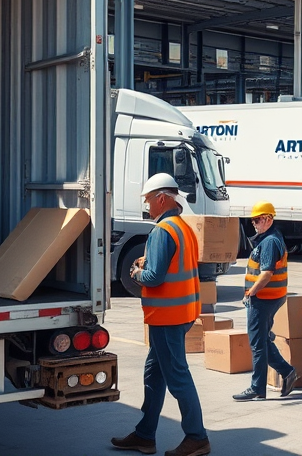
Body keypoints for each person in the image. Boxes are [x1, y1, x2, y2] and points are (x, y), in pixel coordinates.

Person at [111, 173, 211, 456]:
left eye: (148, 200)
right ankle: (145, 435)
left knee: (177, 377)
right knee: (154, 374)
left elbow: (153, 277)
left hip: (168, 316)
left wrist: (136, 271)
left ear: (162, 198)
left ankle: (197, 437)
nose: (147, 205)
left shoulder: (161, 231)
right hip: (181, 312)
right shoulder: (182, 227)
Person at [233, 201, 297, 401]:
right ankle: (287, 372)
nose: (254, 223)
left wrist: (251, 292)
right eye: (253, 220)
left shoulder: (269, 242)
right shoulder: (270, 238)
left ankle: (257, 387)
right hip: (270, 298)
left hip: (262, 299)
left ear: (268, 219)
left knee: (257, 343)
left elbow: (267, 273)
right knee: (262, 340)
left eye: (257, 219)